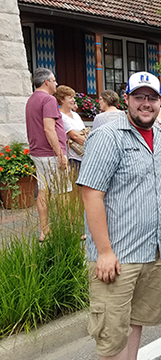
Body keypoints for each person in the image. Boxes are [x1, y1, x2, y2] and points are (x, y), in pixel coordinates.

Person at [77, 71, 161, 360]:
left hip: (153, 252)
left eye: (152, 98)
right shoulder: (107, 136)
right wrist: (104, 251)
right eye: (139, 97)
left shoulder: (159, 136)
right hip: (118, 256)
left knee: (134, 322)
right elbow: (91, 194)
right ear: (126, 99)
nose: (146, 103)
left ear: (160, 102)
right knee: (112, 337)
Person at [25, 68, 69, 242]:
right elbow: (49, 128)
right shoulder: (48, 99)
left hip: (37, 151)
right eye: (54, 80)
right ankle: (66, 230)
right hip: (50, 153)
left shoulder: (31, 100)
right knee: (62, 192)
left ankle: (45, 230)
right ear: (46, 82)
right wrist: (60, 153)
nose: (56, 83)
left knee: (43, 191)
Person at [55, 85, 87, 170]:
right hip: (73, 156)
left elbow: (84, 131)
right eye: (70, 98)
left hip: (83, 154)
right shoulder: (60, 115)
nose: (73, 100)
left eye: (73, 97)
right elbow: (74, 136)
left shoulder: (75, 114)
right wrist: (90, 144)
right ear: (62, 100)